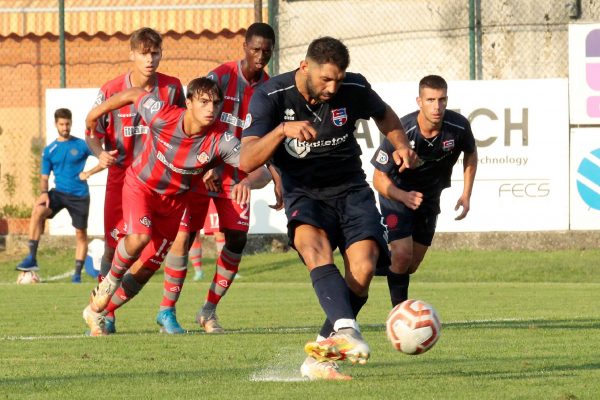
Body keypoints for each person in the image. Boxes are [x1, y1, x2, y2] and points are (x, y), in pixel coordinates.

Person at [240, 37, 418, 380]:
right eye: (326, 79)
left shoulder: (352, 87)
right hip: (304, 193)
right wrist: (281, 130)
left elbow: (385, 116)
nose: (332, 87)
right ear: (305, 66)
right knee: (313, 249)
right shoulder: (271, 96)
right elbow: (247, 159)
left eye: (338, 78)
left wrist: (403, 146)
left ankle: (320, 355)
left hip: (350, 189)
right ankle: (347, 330)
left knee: (364, 268)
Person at [81, 77, 268, 336]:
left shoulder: (220, 140)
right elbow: (134, 93)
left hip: (174, 201)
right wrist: (95, 114)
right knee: (139, 238)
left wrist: (250, 180)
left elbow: (259, 166)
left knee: (147, 268)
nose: (210, 109)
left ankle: (96, 311)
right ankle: (109, 283)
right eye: (203, 102)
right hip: (141, 187)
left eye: (215, 103)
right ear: (188, 102)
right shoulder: (163, 115)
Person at [162, 22, 278, 334]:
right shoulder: (221, 77)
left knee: (237, 239)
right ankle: (167, 311)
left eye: (266, 51)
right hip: (201, 172)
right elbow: (195, 116)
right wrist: (205, 161)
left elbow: (268, 144)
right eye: (255, 49)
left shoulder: (270, 89)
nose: (260, 56)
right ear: (244, 47)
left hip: (236, 176)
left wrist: (268, 178)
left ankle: (208, 310)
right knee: (184, 237)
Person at [84, 27, 185, 333]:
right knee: (116, 246)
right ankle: (104, 311)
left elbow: (182, 129)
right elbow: (92, 131)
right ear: (131, 54)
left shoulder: (172, 88)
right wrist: (99, 153)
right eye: (143, 53)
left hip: (162, 181)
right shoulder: (112, 89)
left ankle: (157, 309)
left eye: (155, 52)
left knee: (158, 251)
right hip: (122, 179)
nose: (149, 59)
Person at [371, 74, 477, 307]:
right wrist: (402, 196)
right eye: (430, 100)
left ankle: (369, 262)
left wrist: (466, 193)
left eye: (441, 99)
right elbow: (378, 178)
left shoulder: (458, 127)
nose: (436, 106)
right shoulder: (402, 131)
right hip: (396, 194)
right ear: (419, 101)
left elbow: (471, 152)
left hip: (428, 198)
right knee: (402, 255)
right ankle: (400, 316)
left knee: (410, 265)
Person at [16, 108, 93, 283]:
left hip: (80, 195)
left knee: (81, 234)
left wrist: (89, 172)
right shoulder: (49, 150)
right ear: (56, 124)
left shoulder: (82, 145)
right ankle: (32, 258)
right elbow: (44, 178)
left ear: (72, 123)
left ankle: (77, 275)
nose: (65, 127)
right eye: (61, 124)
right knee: (38, 211)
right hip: (58, 194)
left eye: (67, 124)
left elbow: (104, 158)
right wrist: (44, 193)